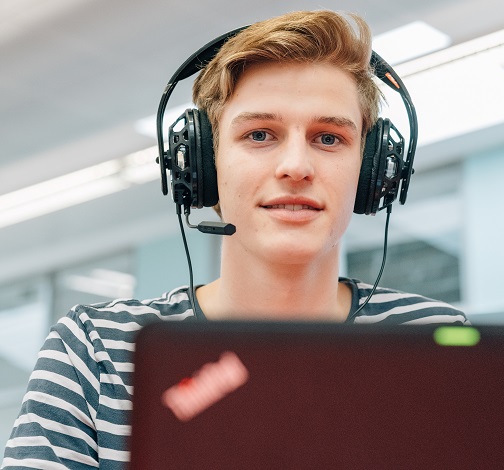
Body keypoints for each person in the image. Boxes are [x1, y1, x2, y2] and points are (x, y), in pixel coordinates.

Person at [1, 9, 467, 469]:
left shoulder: (437, 341)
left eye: (328, 139)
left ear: (370, 172)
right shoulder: (97, 350)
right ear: (202, 165)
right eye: (260, 134)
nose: (296, 166)